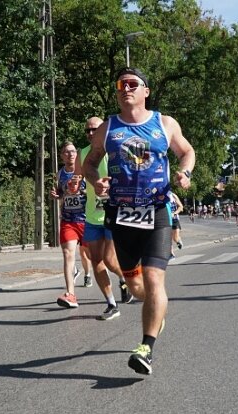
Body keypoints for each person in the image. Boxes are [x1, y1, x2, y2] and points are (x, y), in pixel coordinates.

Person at [83, 67, 195, 375]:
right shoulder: (109, 127)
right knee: (134, 285)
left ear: (145, 91)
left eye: (133, 84)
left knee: (155, 279)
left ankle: (146, 346)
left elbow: (187, 152)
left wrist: (184, 173)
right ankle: (156, 311)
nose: (126, 88)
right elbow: (89, 163)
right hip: (121, 214)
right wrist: (96, 182)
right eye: (121, 84)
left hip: (157, 211)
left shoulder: (164, 123)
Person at [74, 116, 131, 320]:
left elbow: (130, 175)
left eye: (94, 130)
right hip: (91, 215)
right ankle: (111, 303)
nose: (90, 134)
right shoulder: (82, 154)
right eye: (87, 130)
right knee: (95, 260)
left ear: (104, 130)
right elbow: (77, 180)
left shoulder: (115, 151)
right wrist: (67, 189)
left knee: (109, 259)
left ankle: (124, 278)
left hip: (114, 213)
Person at [51, 141, 90, 308]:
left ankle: (119, 280)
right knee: (68, 254)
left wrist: (80, 190)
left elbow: (97, 190)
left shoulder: (86, 170)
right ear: (62, 156)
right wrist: (57, 195)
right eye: (66, 152)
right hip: (68, 220)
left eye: (73, 151)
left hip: (88, 219)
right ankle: (71, 294)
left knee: (92, 257)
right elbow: (61, 193)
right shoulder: (60, 174)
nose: (70, 154)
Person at [169, 191, 184, 257]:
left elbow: (181, 207)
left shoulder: (173, 195)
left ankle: (178, 241)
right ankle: (171, 253)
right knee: (167, 237)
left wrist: (174, 213)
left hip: (174, 219)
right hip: (165, 219)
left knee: (175, 238)